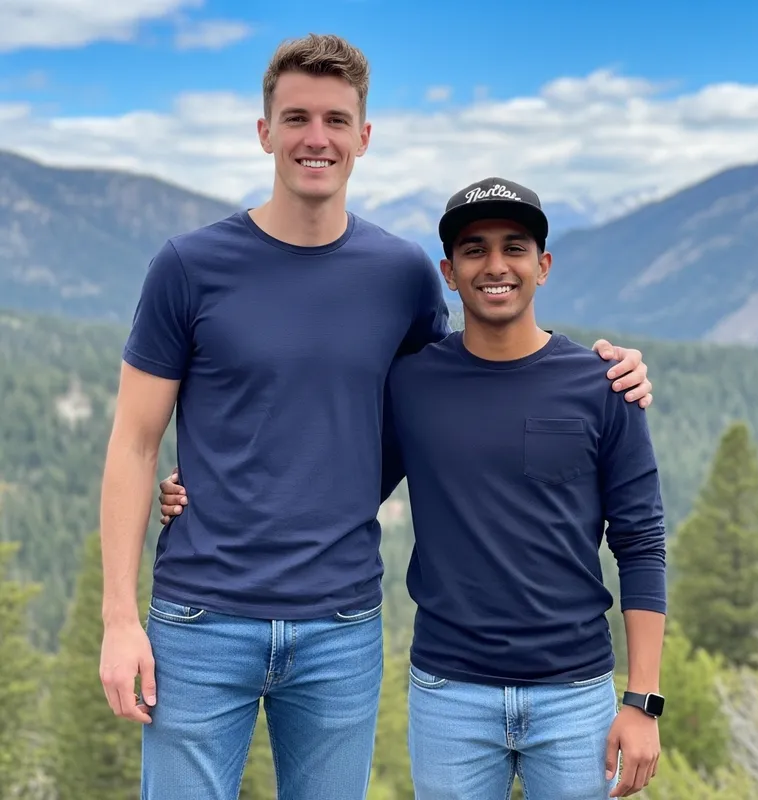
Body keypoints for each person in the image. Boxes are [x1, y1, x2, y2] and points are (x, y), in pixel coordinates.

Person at [101, 31, 655, 800]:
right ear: (264, 132)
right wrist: (119, 619)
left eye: (335, 120)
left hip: (342, 623)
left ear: (364, 136)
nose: (315, 138)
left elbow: (461, 385)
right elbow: (133, 442)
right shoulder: (189, 267)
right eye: (296, 118)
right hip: (200, 618)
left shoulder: (400, 275)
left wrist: (610, 373)